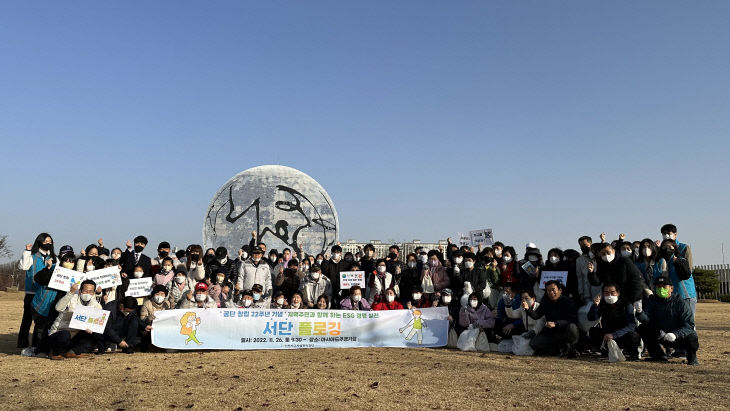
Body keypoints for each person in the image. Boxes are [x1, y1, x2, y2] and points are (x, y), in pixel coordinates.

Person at [637, 276, 699, 365]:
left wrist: (675, 334)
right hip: (661, 334)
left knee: (692, 337)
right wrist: (640, 313)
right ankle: (658, 355)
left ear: (671, 288)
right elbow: (647, 320)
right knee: (642, 328)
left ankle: (692, 358)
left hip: (678, 337)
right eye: (658, 287)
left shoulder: (680, 303)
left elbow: (689, 325)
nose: (661, 289)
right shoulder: (652, 301)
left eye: (664, 287)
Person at [47, 279, 103, 359]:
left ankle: (72, 352)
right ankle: (54, 353)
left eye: (90, 291)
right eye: (85, 291)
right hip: (60, 332)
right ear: (80, 291)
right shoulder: (71, 297)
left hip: (75, 335)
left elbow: (97, 321)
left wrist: (92, 328)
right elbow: (58, 308)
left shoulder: (96, 305)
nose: (87, 294)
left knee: (93, 335)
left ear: (94, 293)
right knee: (65, 335)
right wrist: (70, 293)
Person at [17, 233, 55, 349]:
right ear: (39, 242)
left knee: (41, 321)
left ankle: (37, 345)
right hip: (32, 292)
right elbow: (23, 267)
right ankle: (23, 344)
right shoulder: (32, 256)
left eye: (50, 241)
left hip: (45, 293)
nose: (48, 243)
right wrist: (27, 251)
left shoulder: (54, 258)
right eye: (45, 241)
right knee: (27, 319)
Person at [587, 283, 641, 360]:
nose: (609, 295)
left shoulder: (626, 304)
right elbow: (591, 318)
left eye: (612, 292)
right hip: (607, 335)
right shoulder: (602, 303)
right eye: (606, 292)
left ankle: (633, 354)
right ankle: (605, 352)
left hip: (622, 334)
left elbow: (631, 325)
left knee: (633, 336)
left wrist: (614, 335)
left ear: (618, 293)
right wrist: (595, 306)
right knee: (593, 331)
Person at [526, 280, 579, 357]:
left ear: (560, 290)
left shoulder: (568, 302)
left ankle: (571, 349)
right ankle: (558, 350)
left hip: (566, 332)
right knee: (534, 343)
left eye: (553, 290)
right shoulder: (546, 302)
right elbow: (536, 315)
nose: (551, 292)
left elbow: (573, 320)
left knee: (572, 327)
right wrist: (527, 309)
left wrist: (556, 323)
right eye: (548, 290)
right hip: (552, 333)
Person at [658, 239, 696, 320]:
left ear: (674, 248)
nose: (666, 248)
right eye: (664, 246)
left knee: (688, 322)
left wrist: (677, 262)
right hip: (673, 297)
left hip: (685, 296)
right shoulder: (663, 262)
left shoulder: (680, 260)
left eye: (669, 246)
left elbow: (686, 275)